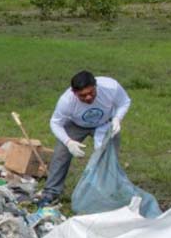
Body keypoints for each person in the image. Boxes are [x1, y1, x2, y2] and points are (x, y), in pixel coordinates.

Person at [38, 70, 131, 206]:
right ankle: (51, 192)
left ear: (96, 86)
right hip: (76, 124)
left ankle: (108, 192)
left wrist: (117, 118)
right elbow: (55, 123)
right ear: (74, 92)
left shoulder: (111, 87)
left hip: (105, 123)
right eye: (82, 95)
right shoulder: (66, 101)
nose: (88, 97)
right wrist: (68, 142)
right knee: (60, 155)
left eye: (91, 92)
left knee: (108, 157)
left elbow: (124, 102)